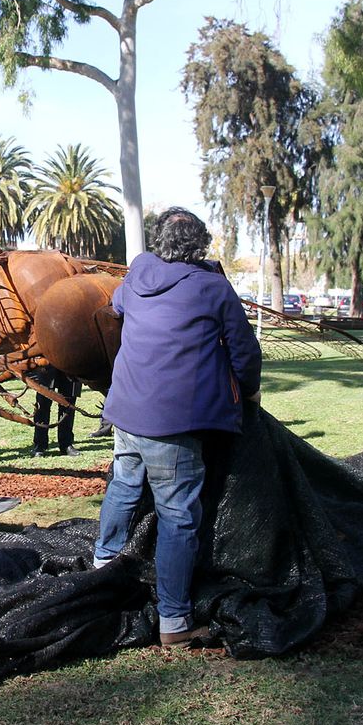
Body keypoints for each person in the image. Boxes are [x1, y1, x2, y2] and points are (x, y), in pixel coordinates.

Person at [93, 208, 262, 645]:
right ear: (201, 245)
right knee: (178, 516)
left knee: (124, 485)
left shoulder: (137, 275)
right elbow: (244, 351)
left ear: (160, 242)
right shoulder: (213, 286)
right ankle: (174, 620)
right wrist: (249, 392)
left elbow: (116, 306)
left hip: (125, 410)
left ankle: (100, 568)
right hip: (173, 421)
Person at [30, 364, 81, 457]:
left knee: (68, 404)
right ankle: (40, 444)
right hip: (47, 365)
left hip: (69, 364)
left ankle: (66, 444)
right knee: (42, 404)